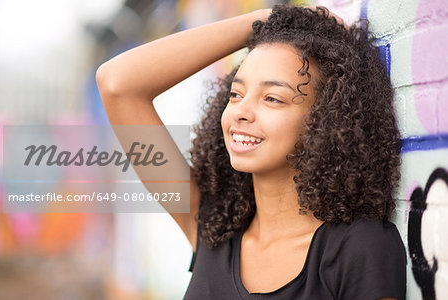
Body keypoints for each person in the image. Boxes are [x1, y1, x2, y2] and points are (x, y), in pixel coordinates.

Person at [96, 4, 407, 299]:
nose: (241, 112)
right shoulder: (214, 228)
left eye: (272, 98)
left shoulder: (359, 247)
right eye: (236, 93)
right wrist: (267, 20)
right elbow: (117, 83)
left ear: (328, 116)